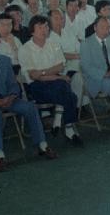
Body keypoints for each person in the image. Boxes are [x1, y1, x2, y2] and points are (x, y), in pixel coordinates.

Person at [0, 28, 58, 171]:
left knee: (30, 107)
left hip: (7, 99)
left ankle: (42, 144)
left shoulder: (5, 60)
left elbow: (13, 84)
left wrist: (11, 96)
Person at [18, 15, 83, 146]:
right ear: (32, 30)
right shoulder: (25, 49)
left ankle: (63, 123)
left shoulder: (54, 44)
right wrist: (55, 75)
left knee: (66, 92)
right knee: (69, 94)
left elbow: (59, 66)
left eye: (46, 26)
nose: (44, 30)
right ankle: (67, 127)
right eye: (40, 27)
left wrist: (43, 72)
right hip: (36, 87)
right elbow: (34, 76)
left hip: (55, 83)